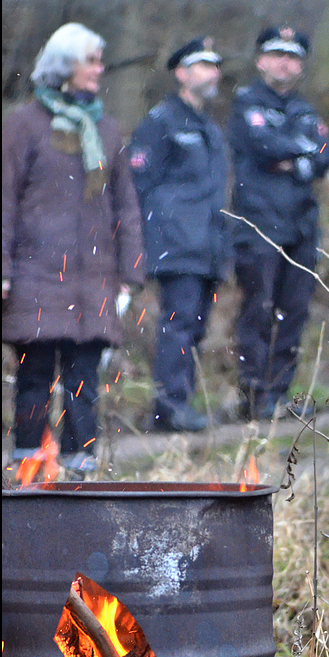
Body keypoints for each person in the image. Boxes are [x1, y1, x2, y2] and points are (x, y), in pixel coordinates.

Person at [2, 22, 145, 480]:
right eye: (91, 61)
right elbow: (3, 200)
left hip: (92, 283)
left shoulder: (107, 130)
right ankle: (27, 471)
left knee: (85, 384)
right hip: (34, 280)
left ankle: (80, 475)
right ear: (65, 65)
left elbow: (126, 205)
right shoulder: (22, 127)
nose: (100, 70)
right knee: (34, 379)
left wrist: (132, 271)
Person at [228, 26, 329, 420]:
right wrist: (301, 152)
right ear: (260, 61)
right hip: (259, 224)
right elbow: (261, 145)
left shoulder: (306, 109)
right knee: (259, 307)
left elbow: (326, 155)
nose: (284, 62)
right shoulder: (246, 103)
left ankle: (279, 392)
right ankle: (253, 393)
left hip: (301, 225)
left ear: (301, 65)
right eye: (276, 54)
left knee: (294, 310)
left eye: (292, 56)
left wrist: (296, 156)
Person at [130, 37, 229, 432]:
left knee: (196, 326)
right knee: (178, 322)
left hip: (209, 244)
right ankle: (169, 407)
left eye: (214, 65)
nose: (211, 72)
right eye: (202, 65)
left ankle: (178, 402)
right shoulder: (160, 122)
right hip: (175, 243)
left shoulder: (210, 127)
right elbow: (139, 183)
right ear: (181, 73)